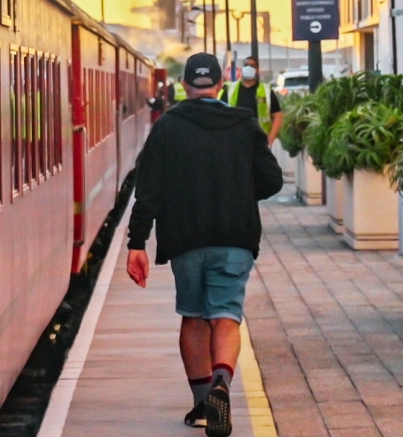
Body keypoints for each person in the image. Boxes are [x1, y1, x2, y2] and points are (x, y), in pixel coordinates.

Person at [126, 53, 283, 437]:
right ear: (220, 85)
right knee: (226, 317)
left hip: (186, 238)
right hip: (235, 237)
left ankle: (200, 406)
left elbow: (147, 190)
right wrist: (241, 191)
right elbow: (272, 180)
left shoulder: (168, 128)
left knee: (193, 317)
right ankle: (222, 384)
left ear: (183, 86)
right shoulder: (244, 124)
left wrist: (137, 243)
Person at [220, 57, 284, 147]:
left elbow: (278, 115)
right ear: (242, 69)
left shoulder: (266, 91)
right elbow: (220, 113)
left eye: (252, 66)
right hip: (234, 140)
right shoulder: (230, 89)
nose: (249, 68)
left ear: (257, 70)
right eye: (246, 65)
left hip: (259, 141)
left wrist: (270, 139)